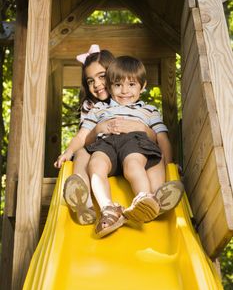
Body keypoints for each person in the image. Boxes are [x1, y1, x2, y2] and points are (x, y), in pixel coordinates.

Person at [54, 45, 161, 225]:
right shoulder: (93, 107)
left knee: (155, 153)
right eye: (90, 81)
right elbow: (84, 138)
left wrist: (139, 128)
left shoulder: (140, 108)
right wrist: (97, 130)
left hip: (131, 151)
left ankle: (156, 195)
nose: (96, 84)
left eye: (102, 77)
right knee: (81, 153)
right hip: (102, 150)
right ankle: (84, 200)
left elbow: (156, 136)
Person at [81, 56, 184, 237]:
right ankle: (108, 209)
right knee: (95, 166)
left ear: (142, 86)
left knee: (133, 165)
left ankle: (145, 200)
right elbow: (86, 139)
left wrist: (170, 165)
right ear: (110, 87)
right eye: (118, 85)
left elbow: (162, 138)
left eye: (131, 84)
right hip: (107, 143)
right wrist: (98, 129)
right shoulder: (98, 109)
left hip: (134, 141)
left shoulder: (148, 110)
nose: (124, 91)